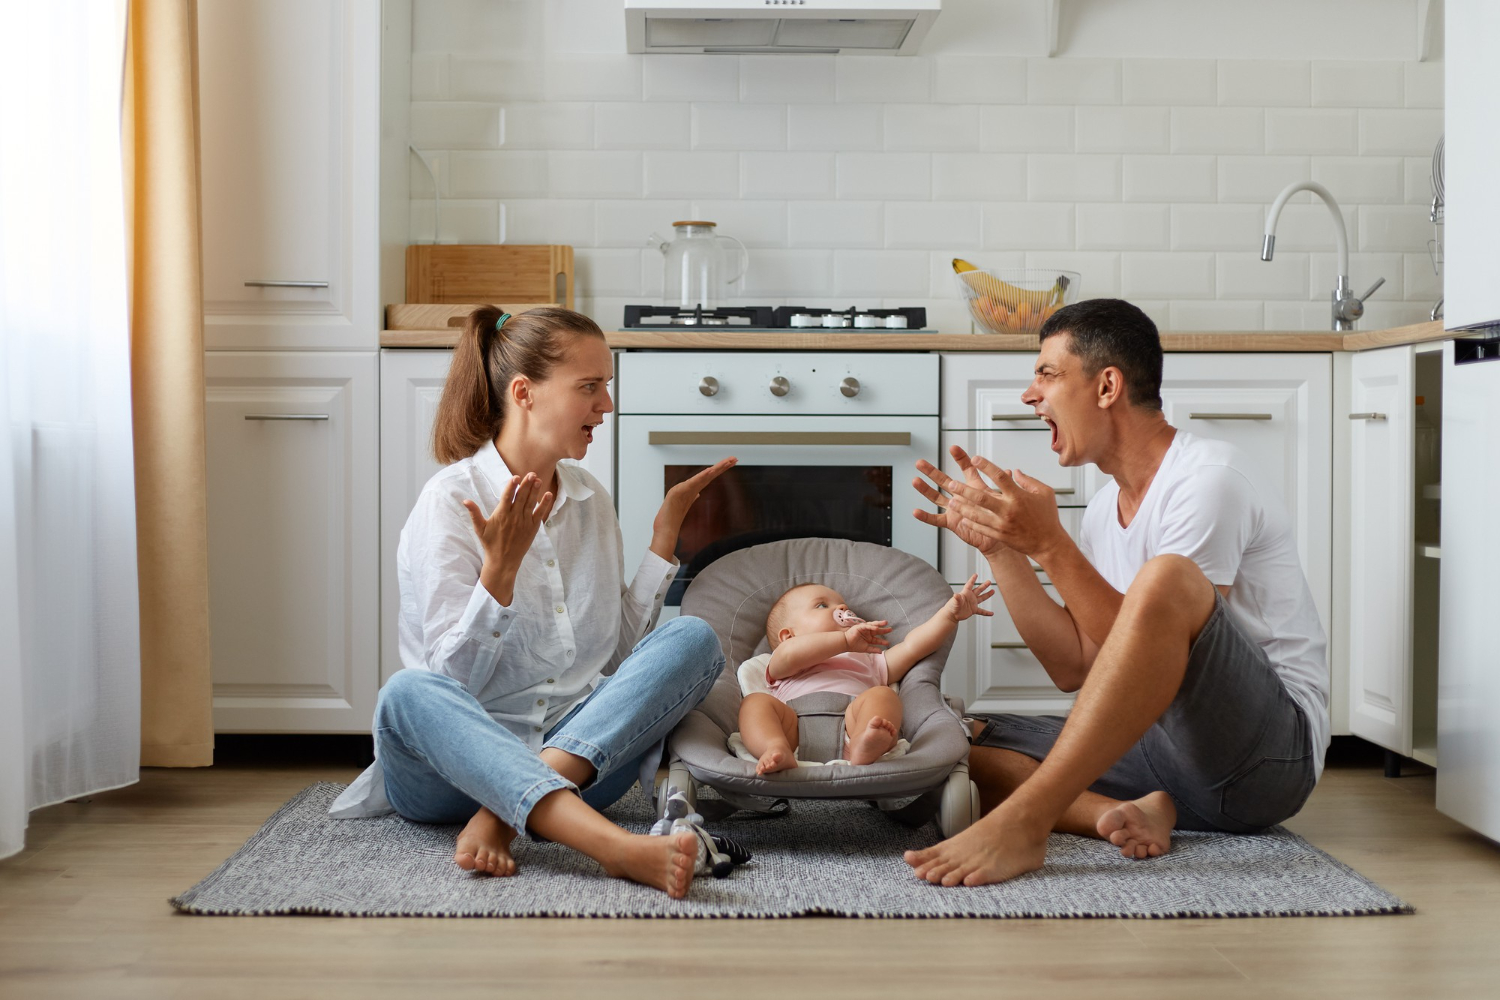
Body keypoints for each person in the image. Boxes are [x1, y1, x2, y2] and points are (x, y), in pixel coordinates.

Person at [904, 298, 1328, 886]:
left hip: (1264, 762)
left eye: (1047, 374)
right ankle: (1124, 814)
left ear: (1107, 386)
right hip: (1167, 754)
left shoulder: (1208, 480)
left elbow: (1176, 671)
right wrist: (1004, 549)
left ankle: (1029, 820)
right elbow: (1076, 665)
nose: (1030, 395)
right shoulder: (1105, 508)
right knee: (951, 744)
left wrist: (1051, 544)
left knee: (1167, 577)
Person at [329, 305, 737, 899]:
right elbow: (450, 683)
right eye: (590, 388)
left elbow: (616, 658)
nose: (607, 406)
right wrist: (499, 573)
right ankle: (615, 849)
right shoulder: (450, 502)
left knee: (693, 639)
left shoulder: (590, 499)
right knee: (406, 694)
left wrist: (664, 538)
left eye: (607, 388)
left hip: (575, 757)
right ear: (524, 392)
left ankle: (502, 814)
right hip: (449, 773)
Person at [738, 576, 994, 774]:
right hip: (793, 728)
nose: (840, 608)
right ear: (788, 635)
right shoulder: (783, 660)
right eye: (821, 605)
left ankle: (863, 745)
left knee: (883, 695)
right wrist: (844, 641)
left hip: (853, 722)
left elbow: (914, 647)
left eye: (842, 605)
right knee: (755, 703)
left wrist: (949, 616)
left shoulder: (868, 660)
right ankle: (774, 748)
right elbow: (791, 654)